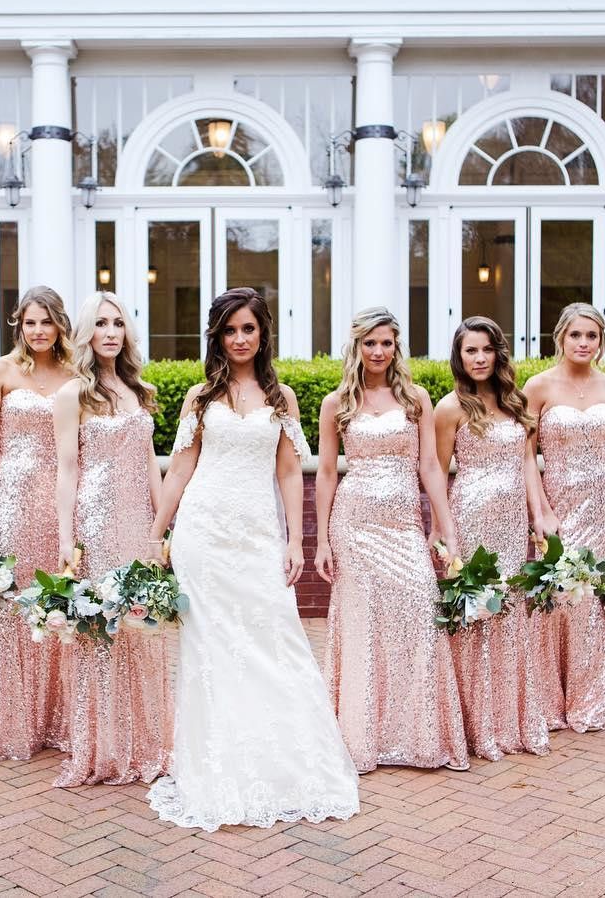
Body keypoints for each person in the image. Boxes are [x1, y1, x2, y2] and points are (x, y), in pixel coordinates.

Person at [146, 287, 359, 832]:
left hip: (259, 534)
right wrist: (157, 534)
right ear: (216, 336)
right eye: (230, 330)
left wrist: (294, 540)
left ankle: (284, 764)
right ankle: (219, 767)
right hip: (204, 532)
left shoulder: (281, 396)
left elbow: (290, 471)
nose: (239, 339)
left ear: (263, 334)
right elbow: (179, 470)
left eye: (249, 329)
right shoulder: (200, 396)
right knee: (212, 649)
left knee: (277, 640)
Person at [316, 307, 468, 772]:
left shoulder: (417, 399)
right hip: (354, 524)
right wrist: (321, 539)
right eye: (370, 343)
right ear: (356, 346)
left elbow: (430, 467)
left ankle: (417, 736)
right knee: (362, 626)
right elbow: (325, 472)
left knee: (419, 613)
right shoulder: (336, 402)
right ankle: (362, 738)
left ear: (396, 346)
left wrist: (446, 529)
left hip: (403, 525)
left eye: (386, 342)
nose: (378, 351)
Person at [51, 292, 172, 785]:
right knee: (99, 631)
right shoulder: (72, 394)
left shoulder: (138, 390)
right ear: (86, 332)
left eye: (118, 323)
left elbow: (150, 465)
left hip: (137, 518)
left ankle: (144, 740)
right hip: (95, 519)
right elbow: (66, 468)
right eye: (100, 323)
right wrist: (66, 538)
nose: (110, 332)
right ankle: (99, 746)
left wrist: (162, 528)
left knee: (141, 630)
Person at [0, 287, 74, 762]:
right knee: (13, 604)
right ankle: (11, 718)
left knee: (58, 602)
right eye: (30, 322)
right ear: (18, 325)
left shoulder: (75, 374)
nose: (38, 331)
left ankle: (59, 717)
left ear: (60, 325)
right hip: (12, 497)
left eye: (46, 322)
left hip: (60, 498)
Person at [434, 316, 550, 759]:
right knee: (475, 614)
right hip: (471, 517)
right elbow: (437, 472)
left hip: (509, 521)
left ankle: (509, 718)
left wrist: (538, 514)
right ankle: (474, 724)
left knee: (509, 613)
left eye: (486, 350)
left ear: (498, 353)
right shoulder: (451, 408)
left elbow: (527, 464)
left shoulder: (517, 403)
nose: (479, 358)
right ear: (459, 358)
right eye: (470, 351)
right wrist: (444, 534)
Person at [524, 303, 605, 733]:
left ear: (600, 341)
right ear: (560, 337)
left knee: (594, 603)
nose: (584, 343)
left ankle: (590, 699)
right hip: (559, 506)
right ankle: (550, 699)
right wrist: (540, 510)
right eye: (576, 335)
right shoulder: (537, 387)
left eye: (592, 336)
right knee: (555, 600)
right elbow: (525, 457)